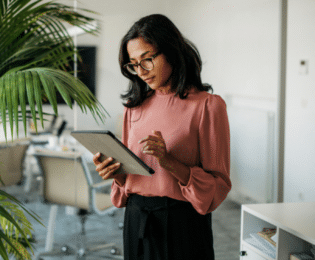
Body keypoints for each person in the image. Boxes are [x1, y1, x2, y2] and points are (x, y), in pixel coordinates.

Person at [93, 14, 231, 260]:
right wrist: (117, 174)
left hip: (182, 224)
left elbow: (217, 187)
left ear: (171, 51)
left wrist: (170, 163)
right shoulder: (133, 108)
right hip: (136, 219)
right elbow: (133, 179)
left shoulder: (208, 106)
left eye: (147, 60)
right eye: (133, 64)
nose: (141, 71)